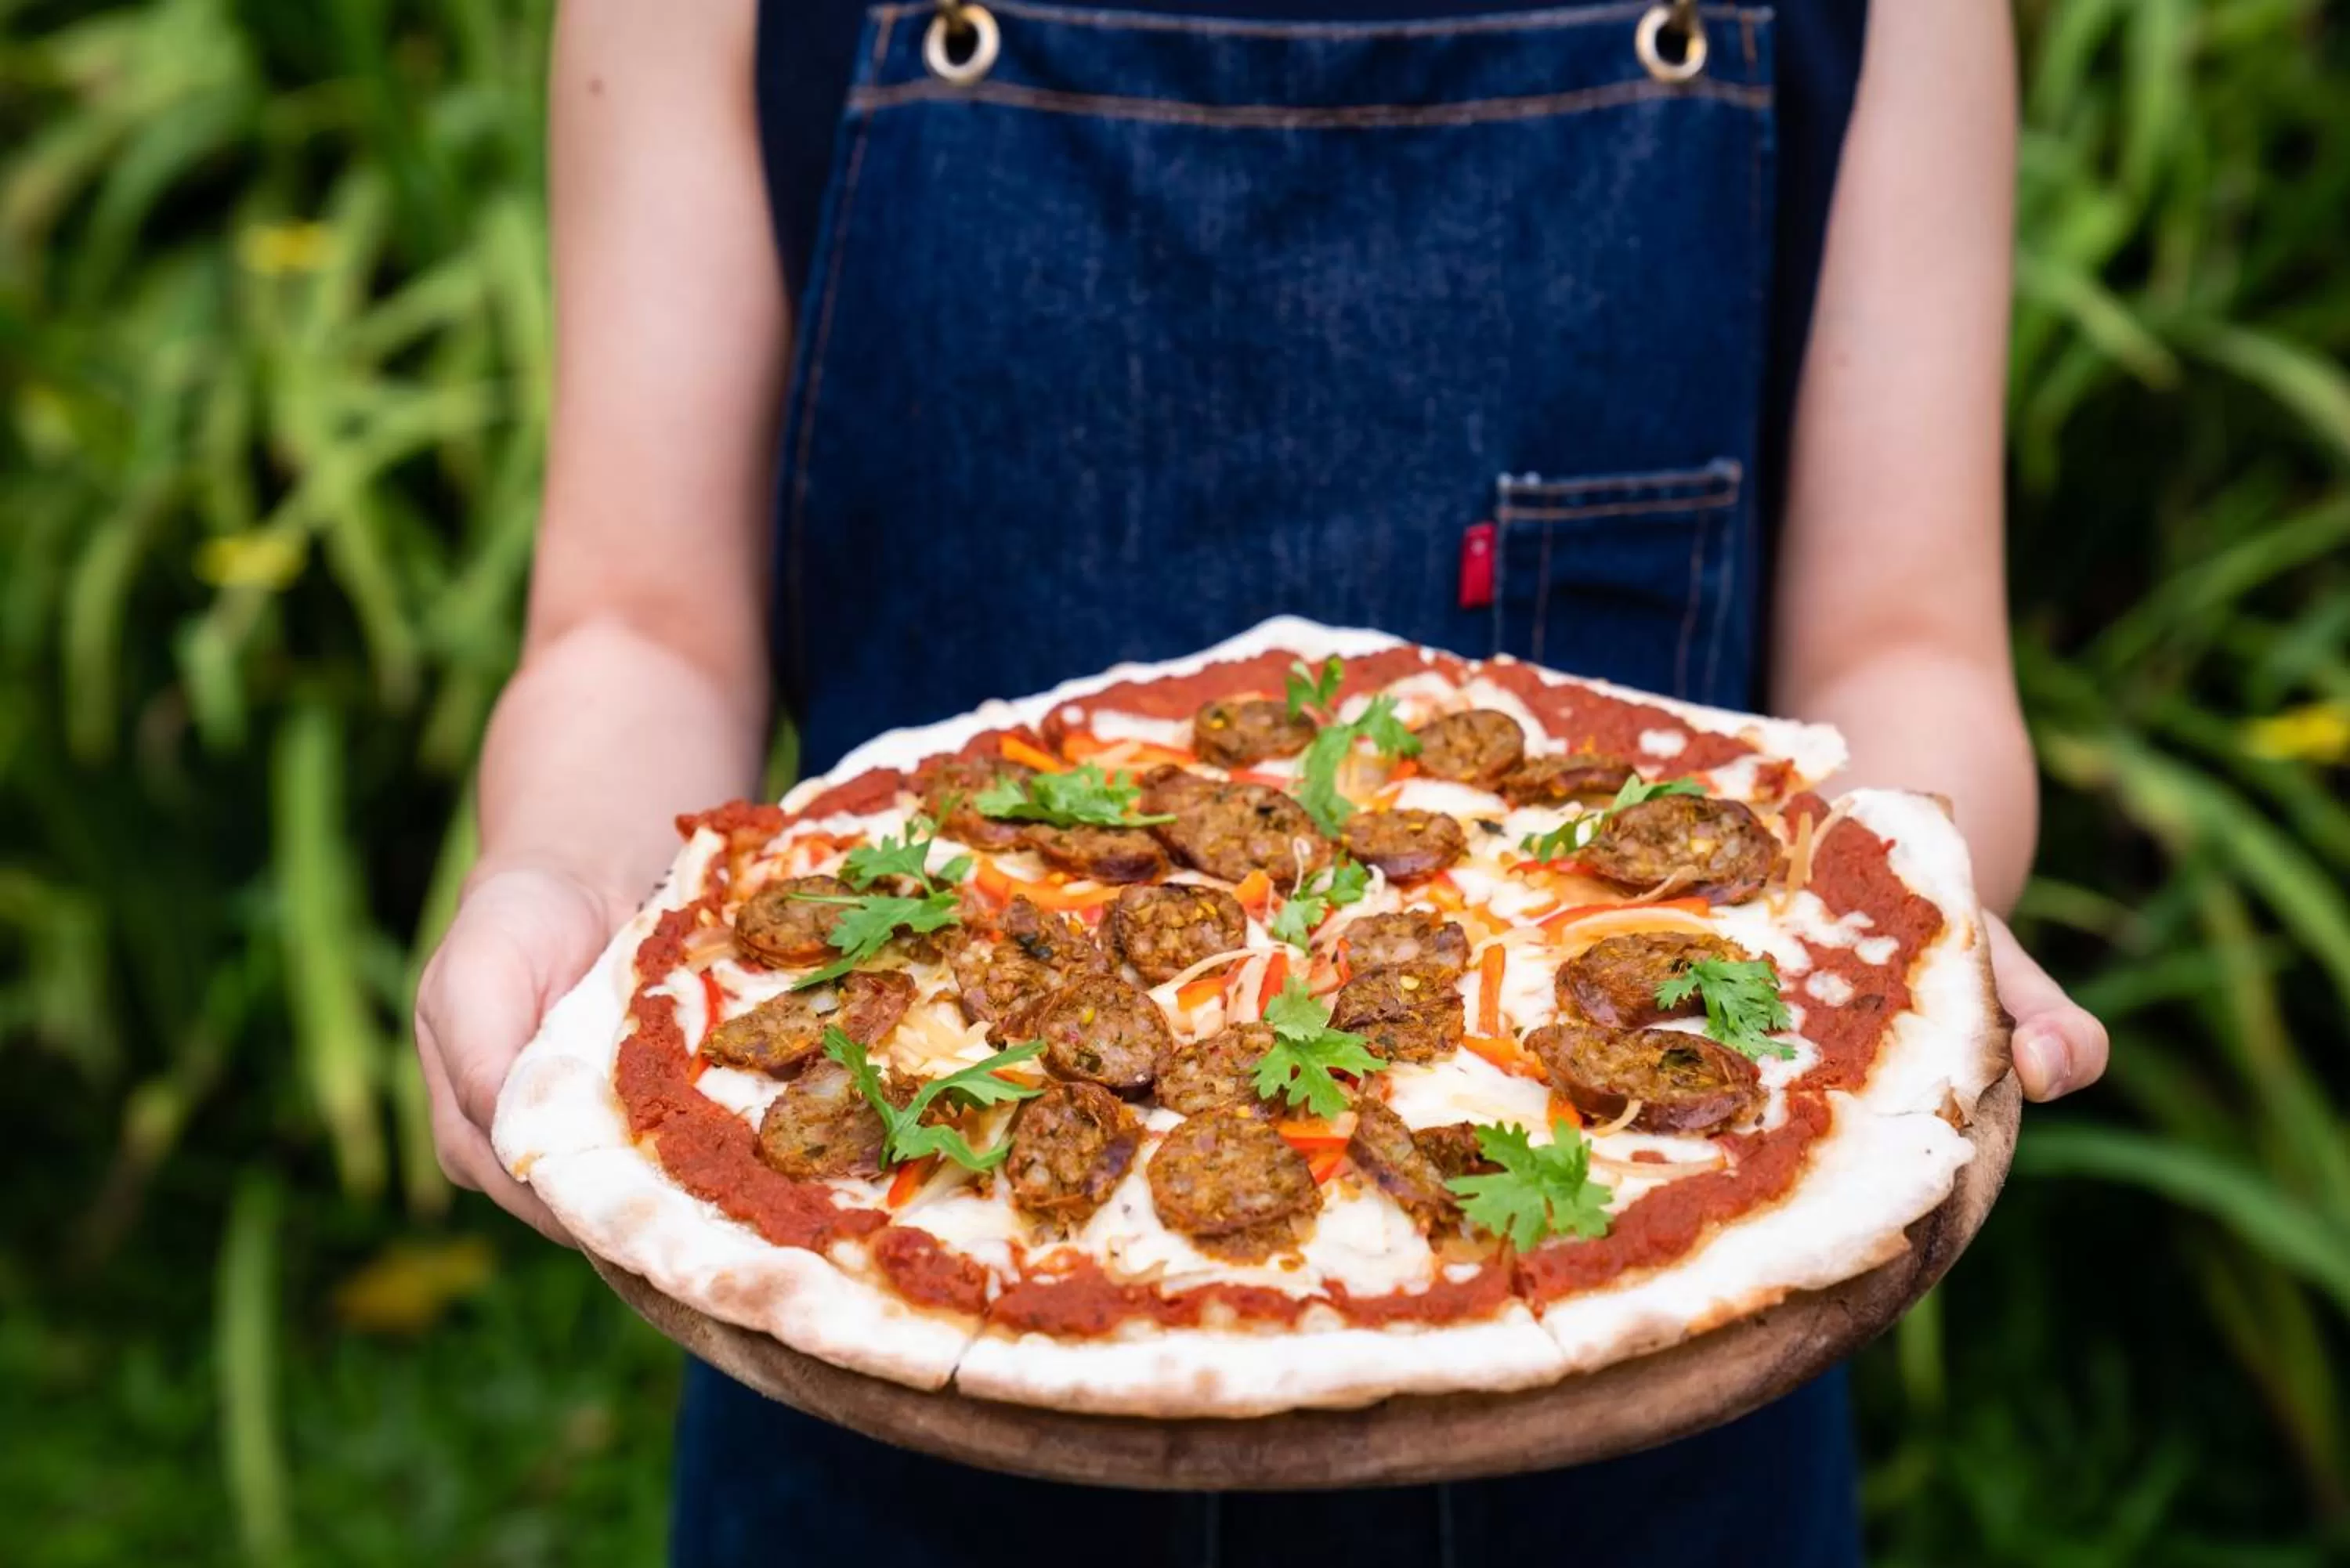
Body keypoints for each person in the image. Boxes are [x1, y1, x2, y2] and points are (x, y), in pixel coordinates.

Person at [414, 0, 2110, 1562]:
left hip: (1650, 1461)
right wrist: (560, 869)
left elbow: (1907, 646)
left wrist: (1912, 918)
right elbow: (641, 622)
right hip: (895, 1430)